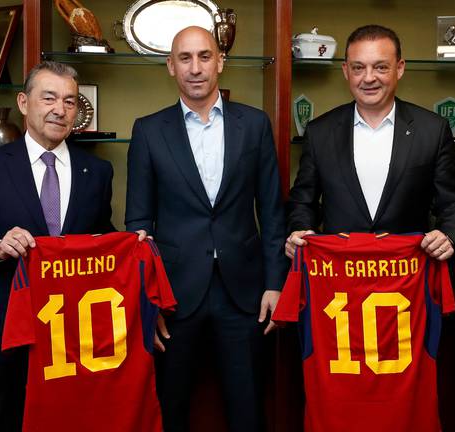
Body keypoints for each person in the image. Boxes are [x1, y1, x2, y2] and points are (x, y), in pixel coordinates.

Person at [125, 26, 286, 432]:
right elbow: (138, 225)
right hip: (174, 298)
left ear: (220, 62)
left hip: (245, 294)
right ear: (170, 66)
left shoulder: (254, 124)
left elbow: (271, 212)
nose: (195, 68)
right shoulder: (148, 131)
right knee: (171, 407)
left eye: (203, 56)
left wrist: (274, 284)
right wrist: (149, 299)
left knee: (248, 409)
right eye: (184, 58)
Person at [0, 61, 115, 432]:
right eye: (49, 97)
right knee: (2, 422)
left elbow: (102, 239)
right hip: (7, 327)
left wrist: (130, 245)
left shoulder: (97, 172)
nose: (60, 109)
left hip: (76, 334)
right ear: (24, 103)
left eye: (70, 101)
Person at [285, 24, 455, 259]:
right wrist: (301, 230)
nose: (369, 78)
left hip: (408, 274)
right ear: (345, 71)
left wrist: (448, 235)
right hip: (340, 274)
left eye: (380, 67)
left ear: (399, 68)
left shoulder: (432, 129)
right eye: (358, 68)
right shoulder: (320, 132)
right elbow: (302, 202)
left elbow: (454, 203)